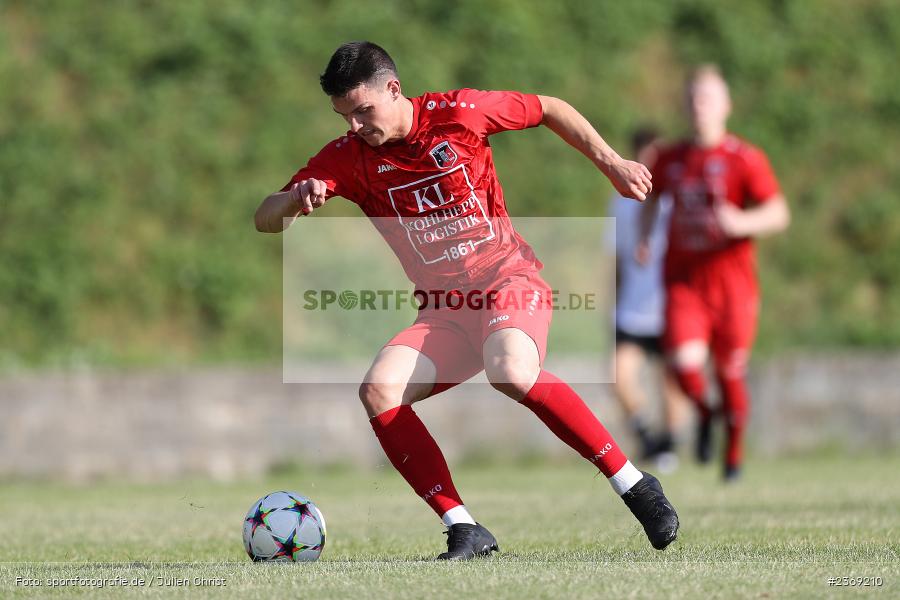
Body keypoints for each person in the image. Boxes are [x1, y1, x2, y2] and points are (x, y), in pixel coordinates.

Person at [255, 41, 678, 559]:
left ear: (394, 88)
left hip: (508, 281)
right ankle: (464, 527)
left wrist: (611, 163)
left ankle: (635, 484)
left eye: (363, 110)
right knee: (379, 390)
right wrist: (296, 199)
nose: (355, 125)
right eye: (344, 116)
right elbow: (265, 216)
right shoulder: (348, 158)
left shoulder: (458, 113)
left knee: (511, 370)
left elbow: (549, 108)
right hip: (445, 312)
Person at [638, 65, 790, 481]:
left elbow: (778, 213)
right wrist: (646, 236)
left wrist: (741, 223)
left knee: (729, 372)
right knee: (684, 366)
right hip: (685, 281)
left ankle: (734, 459)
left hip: (733, 285)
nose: (698, 106)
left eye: (706, 98)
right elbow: (649, 199)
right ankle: (705, 413)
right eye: (691, 98)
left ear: (726, 106)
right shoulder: (670, 158)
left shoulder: (745, 159)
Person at [609, 128, 688, 469]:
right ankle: (646, 437)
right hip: (632, 309)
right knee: (618, 375)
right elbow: (617, 256)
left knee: (669, 383)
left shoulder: (676, 201)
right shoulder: (621, 202)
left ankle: (669, 445)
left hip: (668, 306)